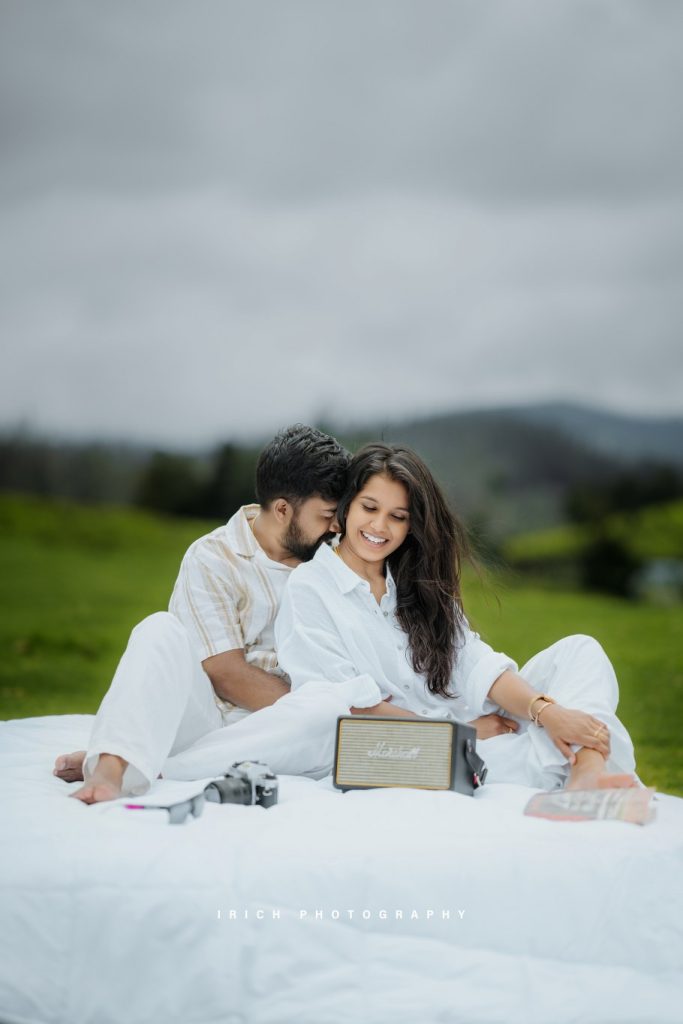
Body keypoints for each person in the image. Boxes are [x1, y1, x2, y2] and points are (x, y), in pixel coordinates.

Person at [274, 442, 640, 791]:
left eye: (397, 517)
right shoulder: (310, 587)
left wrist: (545, 712)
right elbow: (348, 705)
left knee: (581, 651)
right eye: (369, 508)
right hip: (412, 750)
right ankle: (586, 768)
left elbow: (474, 663)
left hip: (472, 726)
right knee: (543, 744)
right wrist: (460, 732)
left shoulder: (415, 582)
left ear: (411, 525)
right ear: (347, 508)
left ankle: (586, 769)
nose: (380, 527)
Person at [53, 424, 386, 802]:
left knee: (329, 710)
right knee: (158, 629)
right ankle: (109, 772)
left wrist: (310, 710)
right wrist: (301, 705)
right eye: (327, 515)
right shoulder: (213, 556)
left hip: (290, 731)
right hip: (209, 718)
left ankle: (157, 764)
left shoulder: (335, 558)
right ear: (282, 510)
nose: (336, 526)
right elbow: (225, 674)